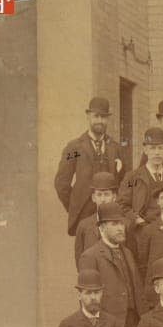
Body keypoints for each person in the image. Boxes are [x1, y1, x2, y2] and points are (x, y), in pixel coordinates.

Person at [55, 96, 125, 237]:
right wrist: (75, 206)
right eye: (96, 116)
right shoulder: (74, 148)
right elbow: (61, 183)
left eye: (104, 117)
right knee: (86, 255)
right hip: (84, 215)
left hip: (110, 214)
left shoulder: (116, 148)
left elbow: (124, 181)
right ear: (88, 116)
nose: (100, 121)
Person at [118, 127, 163, 232]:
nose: (157, 152)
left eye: (160, 148)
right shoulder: (132, 178)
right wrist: (137, 220)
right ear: (145, 150)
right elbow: (122, 205)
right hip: (141, 230)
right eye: (152, 148)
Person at [71, 171, 121, 265]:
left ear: (114, 197)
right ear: (93, 198)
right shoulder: (84, 226)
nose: (103, 199)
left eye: (106, 194)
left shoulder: (124, 225)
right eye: (99, 195)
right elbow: (79, 259)